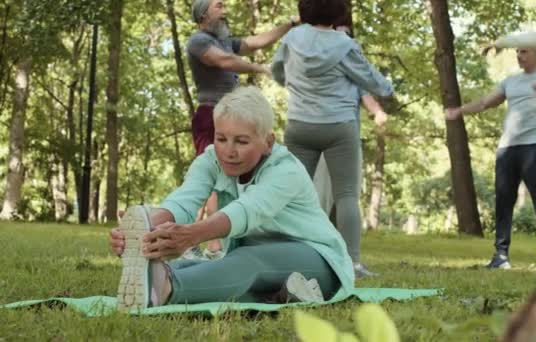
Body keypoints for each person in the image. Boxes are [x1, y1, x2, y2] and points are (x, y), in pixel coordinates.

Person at [109, 86, 354, 310]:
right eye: (221, 138)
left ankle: (165, 289)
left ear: (268, 142)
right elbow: (185, 200)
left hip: (320, 262)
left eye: (242, 141)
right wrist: (146, 229)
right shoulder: (211, 159)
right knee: (192, 266)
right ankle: (283, 294)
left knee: (246, 260)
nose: (229, 151)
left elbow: (246, 210)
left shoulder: (286, 171)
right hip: (265, 263)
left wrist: (192, 235)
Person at [270, 0, 393, 278]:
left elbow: (277, 71)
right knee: (346, 195)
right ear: (339, 10)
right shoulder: (344, 43)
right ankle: (352, 264)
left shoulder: (292, 38)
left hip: (299, 125)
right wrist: (388, 86)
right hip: (338, 127)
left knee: (293, 196)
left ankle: (290, 257)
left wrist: (295, 86)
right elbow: (372, 82)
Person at [187, 0, 299, 251]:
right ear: (204, 14)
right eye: (219, 6)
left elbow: (256, 42)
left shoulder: (224, 41)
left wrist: (290, 24)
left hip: (229, 118)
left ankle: (206, 240)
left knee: (226, 176)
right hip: (210, 116)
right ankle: (212, 244)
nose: (224, 11)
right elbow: (224, 61)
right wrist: (261, 68)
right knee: (214, 175)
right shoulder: (199, 41)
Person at [445, 48, 536, 269]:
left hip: (533, 147)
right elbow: (485, 103)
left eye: (524, 51)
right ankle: (501, 256)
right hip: (507, 149)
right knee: (503, 202)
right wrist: (459, 111)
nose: (519, 55)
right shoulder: (510, 81)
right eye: (517, 52)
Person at [312, 23, 389, 278]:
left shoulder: (355, 77)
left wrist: (378, 113)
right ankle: (317, 256)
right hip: (322, 143)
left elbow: (369, 99)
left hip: (347, 144)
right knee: (320, 200)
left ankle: (350, 262)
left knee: (347, 200)